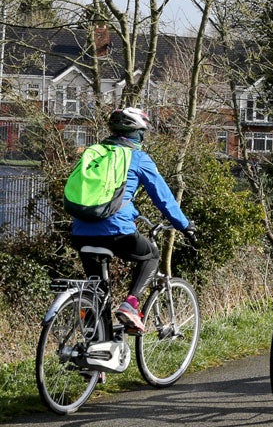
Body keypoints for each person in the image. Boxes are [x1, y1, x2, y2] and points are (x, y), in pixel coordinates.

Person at [69, 108, 198, 337]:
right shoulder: (138, 158)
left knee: (98, 291)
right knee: (151, 256)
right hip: (117, 231)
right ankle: (131, 304)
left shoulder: (93, 152)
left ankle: (96, 351)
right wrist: (184, 225)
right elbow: (163, 197)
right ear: (137, 134)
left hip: (80, 231)